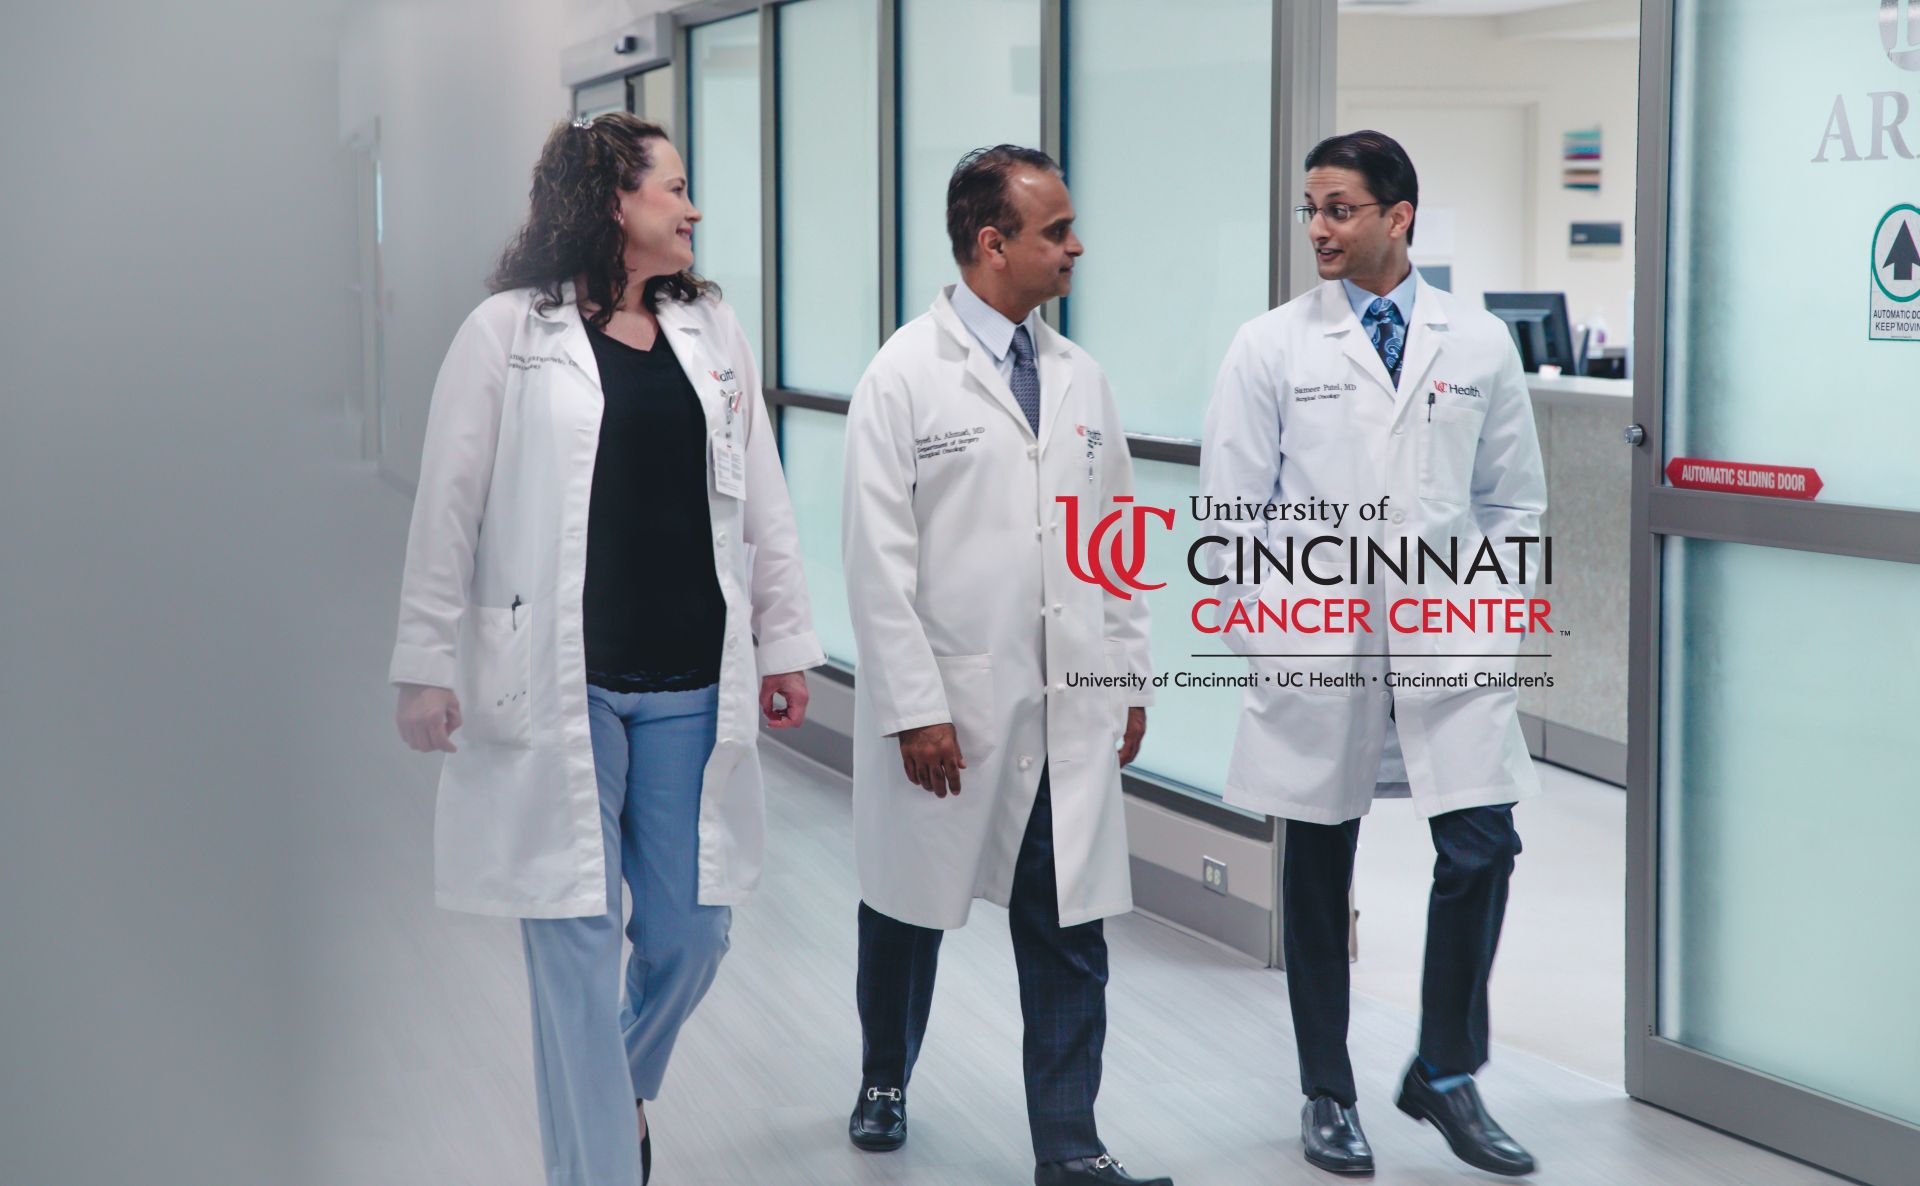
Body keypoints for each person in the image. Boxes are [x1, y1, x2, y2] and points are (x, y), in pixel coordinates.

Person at [389, 112, 823, 1186]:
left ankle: (612, 1091)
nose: (692, 208)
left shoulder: (710, 327)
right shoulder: (506, 331)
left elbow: (761, 493)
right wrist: (425, 659)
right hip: (559, 683)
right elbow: (449, 500)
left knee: (693, 934)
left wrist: (787, 640)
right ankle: (597, 1167)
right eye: (673, 188)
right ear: (612, 201)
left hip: (688, 675)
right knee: (576, 952)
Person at [1199, 130, 1548, 1178]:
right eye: (1311, 208)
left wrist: (1489, 617)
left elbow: (1514, 499)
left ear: (1400, 216)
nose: (1319, 229)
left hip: (1449, 636)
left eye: (1340, 208)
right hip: (1322, 638)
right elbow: (1230, 510)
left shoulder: (1479, 343)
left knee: (1484, 842)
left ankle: (1444, 1068)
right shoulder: (1270, 346)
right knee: (1317, 869)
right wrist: (1276, 628)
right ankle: (1327, 1094)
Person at [838, 145, 1169, 1186]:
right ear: (993, 244)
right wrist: (911, 707)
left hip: (1063, 705)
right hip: (953, 708)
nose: (1076, 246)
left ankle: (1071, 1147)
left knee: (1070, 926)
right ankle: (885, 1072)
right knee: (907, 912)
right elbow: (875, 561)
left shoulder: (1080, 376)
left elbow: (1113, 539)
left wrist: (1125, 676)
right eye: (1055, 231)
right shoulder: (903, 373)